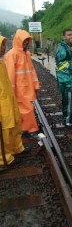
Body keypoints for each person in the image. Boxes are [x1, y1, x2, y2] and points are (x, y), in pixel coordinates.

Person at [4, 29, 41, 134]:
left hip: (26, 87)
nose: (26, 43)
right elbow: (10, 75)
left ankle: (27, 128)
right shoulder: (12, 55)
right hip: (19, 89)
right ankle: (28, 129)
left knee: (27, 109)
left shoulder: (26, 54)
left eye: (27, 40)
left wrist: (36, 85)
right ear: (19, 40)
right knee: (26, 110)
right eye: (24, 40)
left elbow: (31, 71)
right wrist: (11, 92)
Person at [0, 36, 26, 166]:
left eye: (4, 45)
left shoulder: (1, 63)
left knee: (14, 128)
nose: (3, 48)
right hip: (2, 106)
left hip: (9, 102)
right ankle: (2, 159)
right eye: (1, 46)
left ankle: (16, 149)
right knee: (3, 133)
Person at [55, 29, 72, 127]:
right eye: (69, 35)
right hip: (67, 80)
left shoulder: (70, 48)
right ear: (64, 37)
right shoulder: (62, 49)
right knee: (69, 100)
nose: (71, 36)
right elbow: (60, 65)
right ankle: (68, 120)